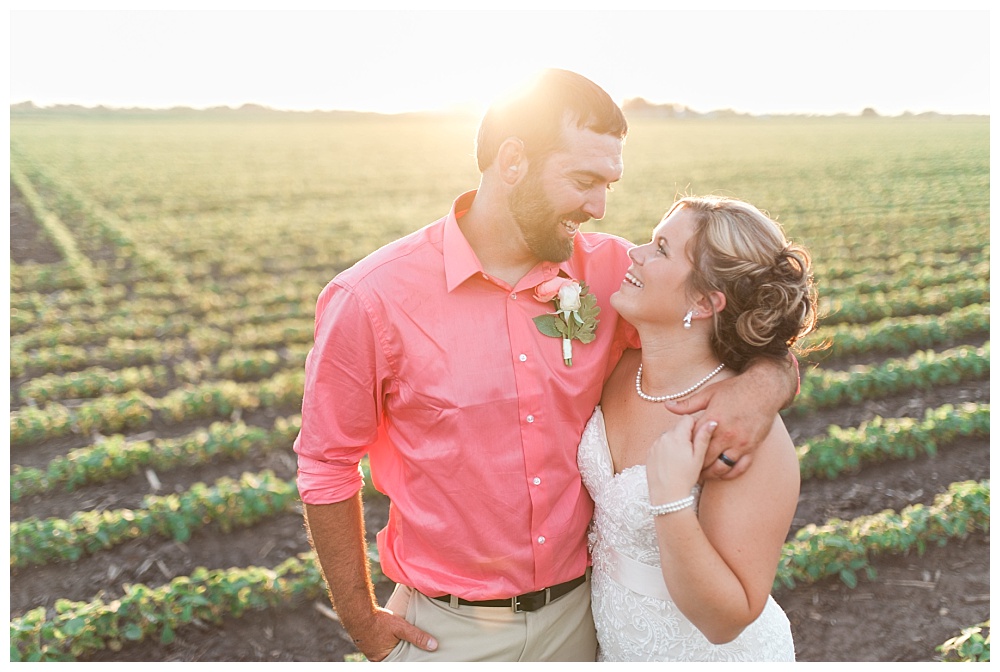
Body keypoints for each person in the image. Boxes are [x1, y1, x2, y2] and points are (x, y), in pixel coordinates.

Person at [293, 69, 798, 662]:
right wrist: (360, 618)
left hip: (587, 622)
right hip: (448, 633)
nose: (600, 207)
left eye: (609, 183)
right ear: (512, 161)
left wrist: (765, 383)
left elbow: (723, 330)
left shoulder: (612, 275)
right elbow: (325, 465)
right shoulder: (371, 299)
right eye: (584, 180)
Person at [579, 195, 818, 661]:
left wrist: (669, 498)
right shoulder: (618, 369)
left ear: (705, 302)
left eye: (661, 249)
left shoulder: (744, 434)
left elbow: (725, 619)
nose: (635, 253)